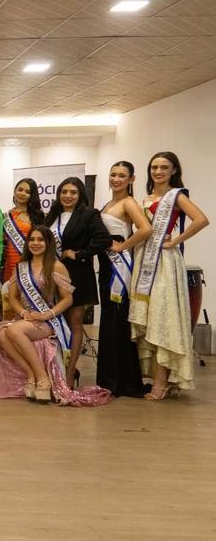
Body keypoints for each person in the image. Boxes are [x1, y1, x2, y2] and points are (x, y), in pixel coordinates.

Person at [0, 226, 110, 406]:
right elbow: (12, 298)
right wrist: (24, 313)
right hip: (28, 317)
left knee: (13, 331)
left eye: (40, 240)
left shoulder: (57, 266)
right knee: (1, 333)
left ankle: (42, 377)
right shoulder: (20, 267)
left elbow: (68, 299)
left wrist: (46, 314)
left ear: (48, 243)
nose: (35, 243)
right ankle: (32, 374)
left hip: (50, 320)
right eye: (32, 239)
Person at [130, 151, 209, 399]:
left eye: (164, 167)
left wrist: (175, 241)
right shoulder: (145, 198)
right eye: (154, 167)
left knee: (164, 317)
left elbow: (201, 220)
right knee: (150, 316)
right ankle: (157, 376)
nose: (158, 172)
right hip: (143, 258)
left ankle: (161, 383)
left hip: (164, 262)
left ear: (174, 170)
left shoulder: (176, 196)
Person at [45, 177, 111, 387]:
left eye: (73, 192)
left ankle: (71, 371)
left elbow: (104, 240)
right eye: (64, 191)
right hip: (52, 276)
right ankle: (54, 369)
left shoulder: (89, 215)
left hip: (78, 276)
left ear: (80, 195)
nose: (68, 196)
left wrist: (79, 254)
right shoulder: (51, 216)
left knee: (74, 324)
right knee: (56, 324)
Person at [97, 161, 151, 397]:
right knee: (110, 321)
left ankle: (121, 380)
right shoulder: (109, 203)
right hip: (107, 268)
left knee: (118, 322)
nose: (116, 179)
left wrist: (122, 246)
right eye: (113, 175)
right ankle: (110, 378)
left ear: (131, 179)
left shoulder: (128, 202)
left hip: (119, 270)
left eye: (121, 175)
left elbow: (145, 229)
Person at [1, 178, 45, 319]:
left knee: (30, 302)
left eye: (27, 191)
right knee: (11, 302)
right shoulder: (5, 216)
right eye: (20, 189)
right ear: (15, 191)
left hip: (31, 263)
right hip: (11, 264)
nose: (22, 193)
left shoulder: (38, 216)